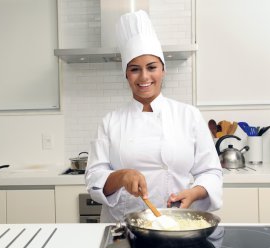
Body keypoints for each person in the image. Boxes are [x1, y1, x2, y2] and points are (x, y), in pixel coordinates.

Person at [85, 10, 222, 223]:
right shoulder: (111, 122)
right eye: (135, 69)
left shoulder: (189, 115)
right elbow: (94, 178)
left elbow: (211, 171)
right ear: (126, 74)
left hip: (177, 223)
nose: (144, 77)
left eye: (151, 67)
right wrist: (120, 177)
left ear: (163, 70)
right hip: (122, 227)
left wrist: (195, 192)